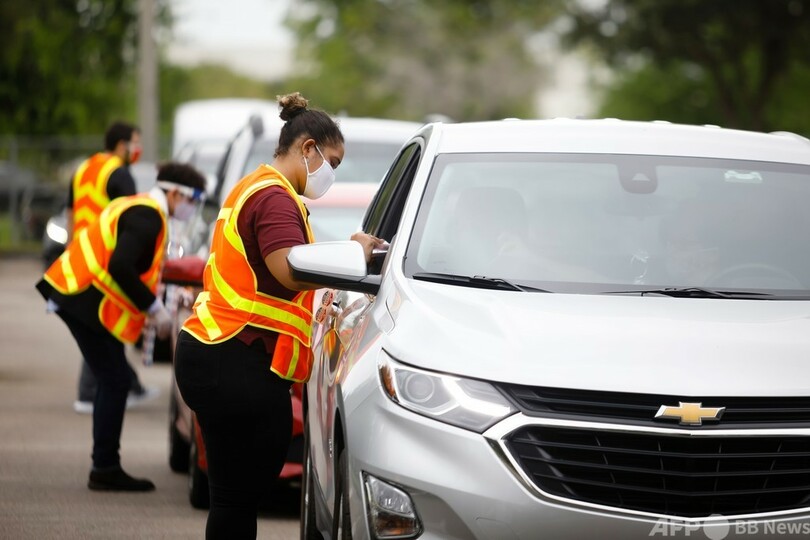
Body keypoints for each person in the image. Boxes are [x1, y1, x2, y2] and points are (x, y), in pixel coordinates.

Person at [173, 92, 384, 539]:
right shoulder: (273, 198)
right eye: (332, 161)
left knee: (234, 496)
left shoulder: (260, 187)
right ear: (307, 149)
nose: (331, 174)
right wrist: (352, 254)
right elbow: (287, 270)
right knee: (237, 496)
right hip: (233, 357)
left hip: (221, 353)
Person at [36, 162, 207, 491]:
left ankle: (104, 465)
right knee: (114, 381)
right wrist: (154, 308)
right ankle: (105, 467)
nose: (193, 207)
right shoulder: (148, 216)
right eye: (193, 199)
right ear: (175, 193)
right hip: (83, 299)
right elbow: (120, 266)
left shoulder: (141, 206)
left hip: (80, 296)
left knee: (111, 379)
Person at [66, 121, 158, 415]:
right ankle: (90, 392)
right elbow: (129, 220)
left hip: (81, 255)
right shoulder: (119, 173)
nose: (137, 148)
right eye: (135, 142)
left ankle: (129, 386)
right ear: (122, 144)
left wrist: (70, 250)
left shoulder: (84, 168)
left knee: (102, 323)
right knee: (103, 322)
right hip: (106, 259)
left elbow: (71, 212)